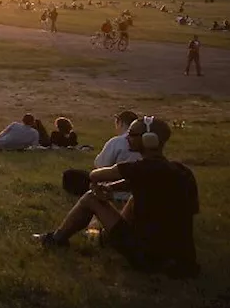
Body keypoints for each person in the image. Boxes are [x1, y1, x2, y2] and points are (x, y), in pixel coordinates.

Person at [34, 117, 199, 278]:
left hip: (148, 257)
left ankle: (56, 239)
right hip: (181, 261)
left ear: (149, 140)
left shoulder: (139, 168)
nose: (127, 137)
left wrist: (101, 185)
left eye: (132, 134)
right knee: (136, 196)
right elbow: (138, 183)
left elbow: (95, 175)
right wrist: (111, 188)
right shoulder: (181, 171)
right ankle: (106, 239)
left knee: (91, 198)